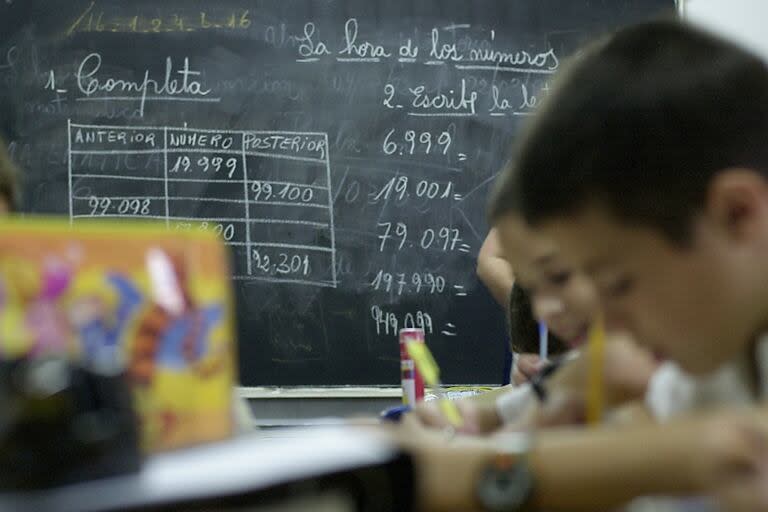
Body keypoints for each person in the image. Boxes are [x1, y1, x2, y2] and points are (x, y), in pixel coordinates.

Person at [394, 20, 768, 512]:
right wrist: (500, 423)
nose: (609, 324)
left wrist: (482, 474)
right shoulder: (719, 344)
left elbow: (736, 454)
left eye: (619, 283)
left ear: (738, 214)